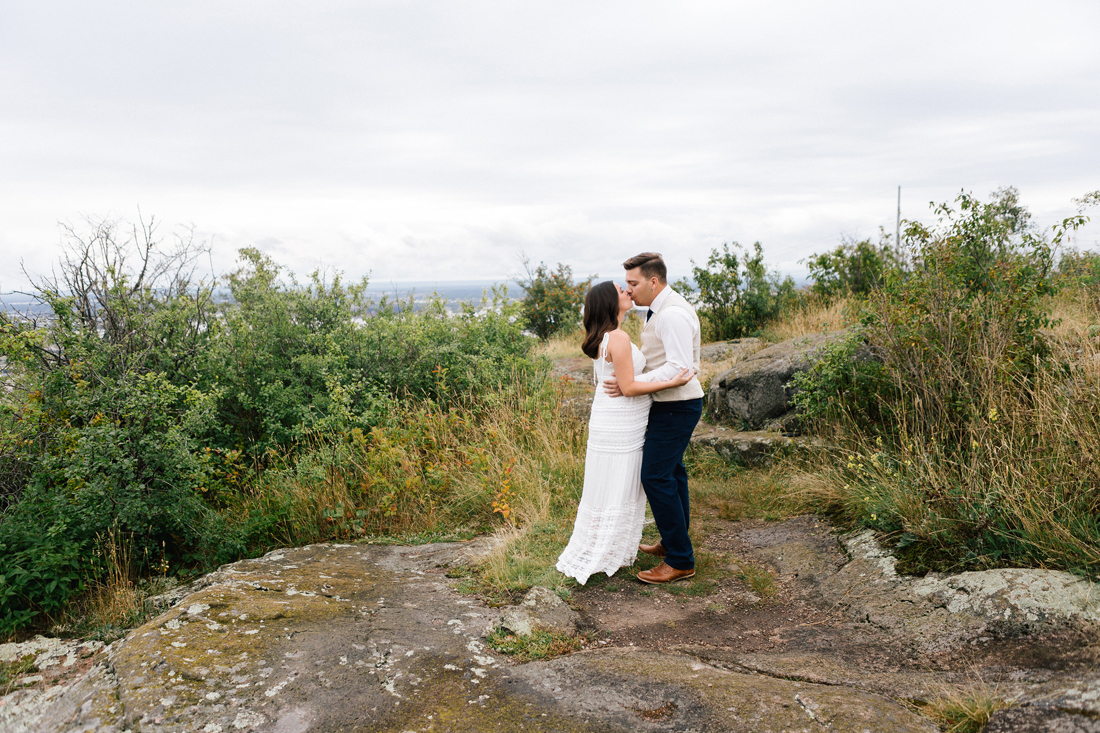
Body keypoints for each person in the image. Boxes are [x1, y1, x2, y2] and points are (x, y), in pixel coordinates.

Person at [555, 280, 693, 585]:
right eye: (621, 290)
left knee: (614, 480)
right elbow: (629, 387)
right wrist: (674, 381)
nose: (627, 292)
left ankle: (618, 545)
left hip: (612, 415)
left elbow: (625, 381)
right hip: (620, 419)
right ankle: (611, 548)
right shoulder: (616, 337)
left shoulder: (601, 338)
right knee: (620, 479)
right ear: (609, 302)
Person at [604, 252, 704, 584]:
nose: (629, 290)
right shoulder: (659, 309)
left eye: (633, 283)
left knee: (655, 477)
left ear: (653, 281)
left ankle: (680, 560)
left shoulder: (671, 314)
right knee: (673, 475)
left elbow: (680, 367)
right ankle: (672, 542)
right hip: (668, 403)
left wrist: (631, 383)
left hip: (677, 405)